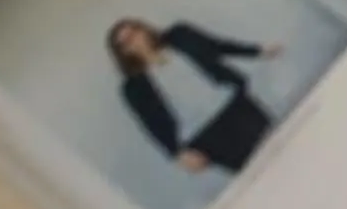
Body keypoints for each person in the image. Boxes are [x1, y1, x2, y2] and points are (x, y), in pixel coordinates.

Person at [108, 20, 280, 176]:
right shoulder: (133, 88)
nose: (133, 42)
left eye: (134, 33)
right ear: (122, 53)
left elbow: (217, 46)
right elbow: (151, 124)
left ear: (143, 29)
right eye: (125, 43)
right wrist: (177, 154)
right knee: (255, 173)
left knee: (277, 145)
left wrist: (257, 51)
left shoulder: (180, 36)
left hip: (233, 107)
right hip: (204, 133)